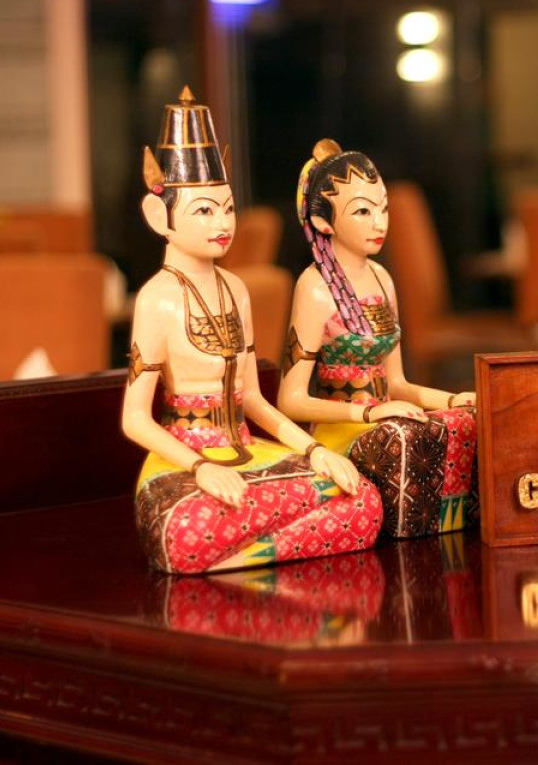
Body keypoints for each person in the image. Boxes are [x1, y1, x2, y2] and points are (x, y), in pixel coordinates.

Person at [122, 89, 382, 574]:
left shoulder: (235, 289)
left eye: (227, 208)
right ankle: (266, 544)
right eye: (204, 211)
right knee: (190, 529)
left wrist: (314, 450)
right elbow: (135, 419)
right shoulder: (157, 298)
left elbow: (256, 401)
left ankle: (244, 552)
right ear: (160, 216)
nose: (223, 223)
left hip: (249, 453)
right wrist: (201, 467)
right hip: (187, 460)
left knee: (363, 500)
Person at [278, 139, 476, 538]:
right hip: (343, 429)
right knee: (402, 437)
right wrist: (368, 414)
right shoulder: (314, 287)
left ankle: (447, 529)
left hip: (386, 416)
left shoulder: (382, 278)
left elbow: (397, 384)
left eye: (382, 208)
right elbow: (291, 400)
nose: (379, 222)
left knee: (464, 424)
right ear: (323, 222)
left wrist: (455, 400)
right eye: (363, 211)